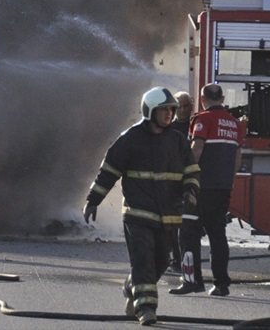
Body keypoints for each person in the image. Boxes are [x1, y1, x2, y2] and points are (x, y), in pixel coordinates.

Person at [83, 87, 201, 326]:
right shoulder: (130, 139)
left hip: (168, 215)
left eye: (171, 109)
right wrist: (93, 199)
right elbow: (109, 171)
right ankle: (146, 309)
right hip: (138, 214)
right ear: (150, 111)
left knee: (161, 262)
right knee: (143, 259)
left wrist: (191, 189)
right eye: (164, 110)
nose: (169, 114)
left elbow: (191, 170)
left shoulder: (178, 140)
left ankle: (131, 287)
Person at [170, 84, 245, 297]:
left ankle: (192, 281)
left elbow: (197, 149)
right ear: (221, 98)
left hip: (200, 187)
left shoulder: (202, 119)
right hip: (222, 188)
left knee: (188, 233)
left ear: (202, 100)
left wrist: (185, 178)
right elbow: (237, 158)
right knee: (217, 235)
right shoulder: (234, 124)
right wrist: (228, 182)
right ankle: (221, 284)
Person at [168, 91, 194, 273]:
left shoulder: (197, 126)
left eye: (187, 106)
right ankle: (176, 260)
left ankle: (182, 262)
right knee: (172, 227)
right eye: (180, 107)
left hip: (189, 183)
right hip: (172, 183)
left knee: (187, 227)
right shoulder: (170, 129)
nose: (184, 111)